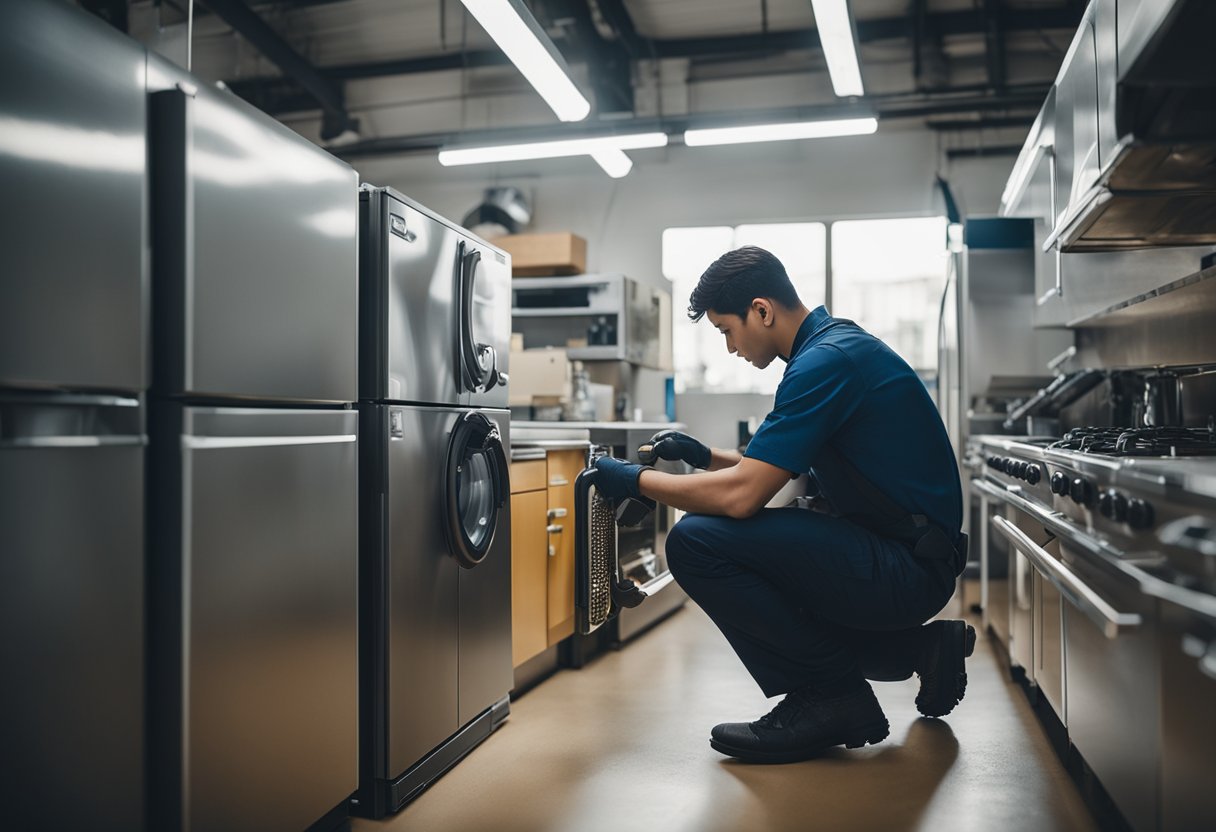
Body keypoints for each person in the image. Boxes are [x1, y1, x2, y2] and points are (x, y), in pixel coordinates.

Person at [593, 245, 974, 764]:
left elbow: (743, 495)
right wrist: (703, 456)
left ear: (762, 310)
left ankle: (831, 696)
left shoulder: (823, 364)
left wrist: (635, 480)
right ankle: (920, 650)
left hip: (905, 569)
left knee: (696, 542)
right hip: (913, 557)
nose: (729, 347)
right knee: (769, 576)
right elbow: (777, 471)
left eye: (726, 330)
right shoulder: (831, 348)